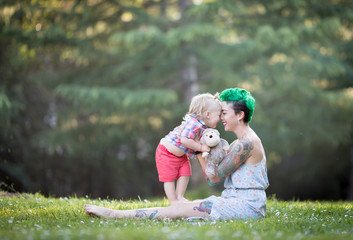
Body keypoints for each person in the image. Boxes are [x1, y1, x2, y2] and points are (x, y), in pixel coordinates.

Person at [84, 88, 269, 220]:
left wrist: (198, 149)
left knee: (180, 209)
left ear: (240, 115)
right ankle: (116, 214)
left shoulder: (245, 144)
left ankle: (115, 215)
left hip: (247, 206)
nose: (220, 118)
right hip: (235, 200)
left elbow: (214, 179)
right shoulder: (239, 143)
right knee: (187, 205)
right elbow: (215, 175)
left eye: (224, 113)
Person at [155, 93, 222, 205]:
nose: (220, 118)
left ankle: (180, 197)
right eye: (219, 115)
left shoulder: (201, 126)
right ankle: (173, 201)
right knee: (169, 178)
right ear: (208, 114)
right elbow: (184, 140)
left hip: (181, 155)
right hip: (166, 152)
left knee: (185, 173)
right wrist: (201, 147)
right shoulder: (194, 123)